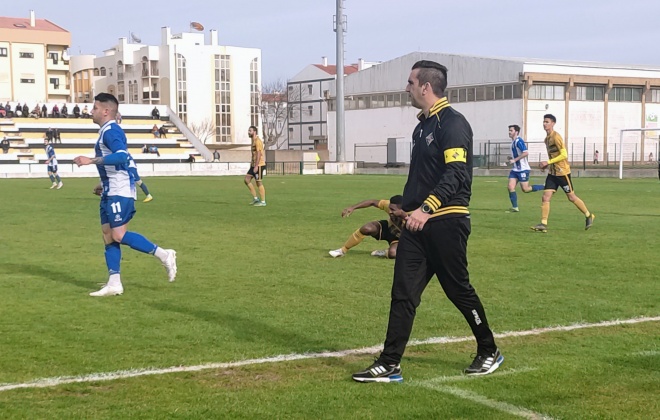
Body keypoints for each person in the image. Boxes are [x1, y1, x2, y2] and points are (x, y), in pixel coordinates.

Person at [352, 60, 502, 383]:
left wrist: (427, 209)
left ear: (425, 87)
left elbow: (456, 174)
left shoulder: (453, 124)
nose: (406, 88)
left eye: (409, 82)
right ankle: (390, 363)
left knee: (458, 290)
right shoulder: (421, 128)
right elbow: (421, 178)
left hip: (446, 222)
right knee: (402, 293)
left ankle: (489, 350)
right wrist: (409, 209)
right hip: (415, 225)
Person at [73, 93, 176, 297]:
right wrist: (103, 183)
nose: (91, 111)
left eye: (94, 108)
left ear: (105, 111)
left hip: (119, 190)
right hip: (111, 188)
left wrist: (91, 161)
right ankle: (114, 283)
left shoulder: (111, 130)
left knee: (118, 235)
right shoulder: (105, 131)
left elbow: (122, 156)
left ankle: (164, 255)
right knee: (108, 235)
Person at [531, 114, 595, 233]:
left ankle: (588, 215)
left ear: (553, 123)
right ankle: (543, 224)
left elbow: (564, 154)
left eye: (547, 122)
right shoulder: (547, 139)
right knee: (545, 197)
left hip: (562, 173)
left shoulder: (556, 137)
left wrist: (548, 162)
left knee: (571, 197)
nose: (544, 124)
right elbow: (553, 155)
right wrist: (547, 166)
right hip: (552, 173)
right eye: (544, 122)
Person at [329, 195, 405, 259]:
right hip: (389, 228)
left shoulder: (413, 215)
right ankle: (342, 250)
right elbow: (372, 202)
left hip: (402, 237)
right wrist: (353, 207)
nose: (390, 211)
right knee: (367, 228)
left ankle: (385, 252)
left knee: (393, 253)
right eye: (389, 208)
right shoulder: (388, 205)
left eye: (393, 210)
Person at [506, 124, 544, 212]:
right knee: (510, 187)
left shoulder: (519, 141)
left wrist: (515, 160)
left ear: (516, 132)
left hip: (523, 169)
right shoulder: (512, 142)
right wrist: (511, 159)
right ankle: (515, 207)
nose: (509, 132)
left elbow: (526, 153)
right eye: (509, 130)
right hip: (515, 169)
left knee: (525, 189)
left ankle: (544, 186)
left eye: (511, 130)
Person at [245, 125, 267, 206]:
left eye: (250, 131)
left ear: (254, 132)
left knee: (258, 182)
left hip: (259, 165)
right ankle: (255, 198)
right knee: (247, 180)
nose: (248, 132)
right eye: (248, 130)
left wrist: (256, 165)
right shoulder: (253, 141)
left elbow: (259, 153)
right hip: (254, 165)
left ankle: (263, 202)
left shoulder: (258, 141)